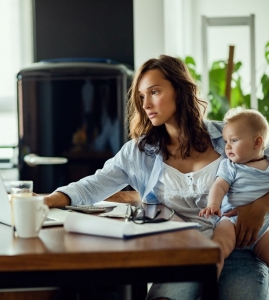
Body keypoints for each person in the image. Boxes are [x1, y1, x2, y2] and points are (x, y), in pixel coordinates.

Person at [44, 54, 269, 299]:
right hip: (183, 253)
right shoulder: (138, 152)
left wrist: (261, 204)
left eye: (154, 92)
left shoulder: (229, 136)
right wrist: (47, 200)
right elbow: (92, 186)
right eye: (141, 97)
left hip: (241, 250)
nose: (146, 104)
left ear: (179, 90)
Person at [199, 107, 269, 279]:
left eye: (234, 140)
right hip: (230, 221)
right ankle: (209, 279)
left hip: (264, 227)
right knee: (219, 247)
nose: (227, 146)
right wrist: (213, 205)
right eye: (225, 141)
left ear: (257, 142)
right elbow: (219, 186)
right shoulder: (230, 166)